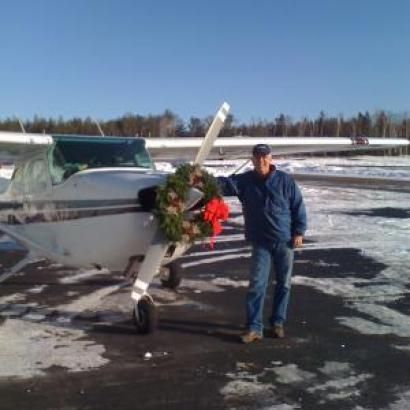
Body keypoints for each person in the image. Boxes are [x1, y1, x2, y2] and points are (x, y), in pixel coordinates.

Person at [218, 144, 307, 343]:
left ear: (271, 158)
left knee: (283, 284)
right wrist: (201, 180)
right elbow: (224, 185)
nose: (261, 161)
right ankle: (254, 328)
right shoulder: (246, 181)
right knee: (257, 285)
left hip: (284, 241)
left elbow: (298, 206)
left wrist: (299, 232)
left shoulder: (285, 181)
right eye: (257, 157)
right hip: (261, 242)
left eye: (265, 157)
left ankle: (277, 323)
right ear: (252, 160)